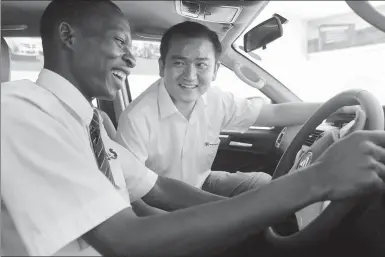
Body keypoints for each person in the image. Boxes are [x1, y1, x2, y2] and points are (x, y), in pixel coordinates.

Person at [1, 1, 385, 256]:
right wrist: (315, 181)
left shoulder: (90, 124)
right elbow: (124, 238)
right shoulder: (20, 111)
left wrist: (257, 215)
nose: (132, 58)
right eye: (120, 41)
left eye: (132, 45)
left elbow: (159, 188)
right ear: (68, 37)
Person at [116, 21, 357, 197]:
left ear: (215, 70)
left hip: (201, 182)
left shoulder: (216, 100)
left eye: (201, 64)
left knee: (266, 184)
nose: (190, 75)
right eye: (179, 63)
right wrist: (213, 208)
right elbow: (133, 195)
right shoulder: (137, 118)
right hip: (158, 199)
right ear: (162, 67)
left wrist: (337, 106)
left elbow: (273, 113)